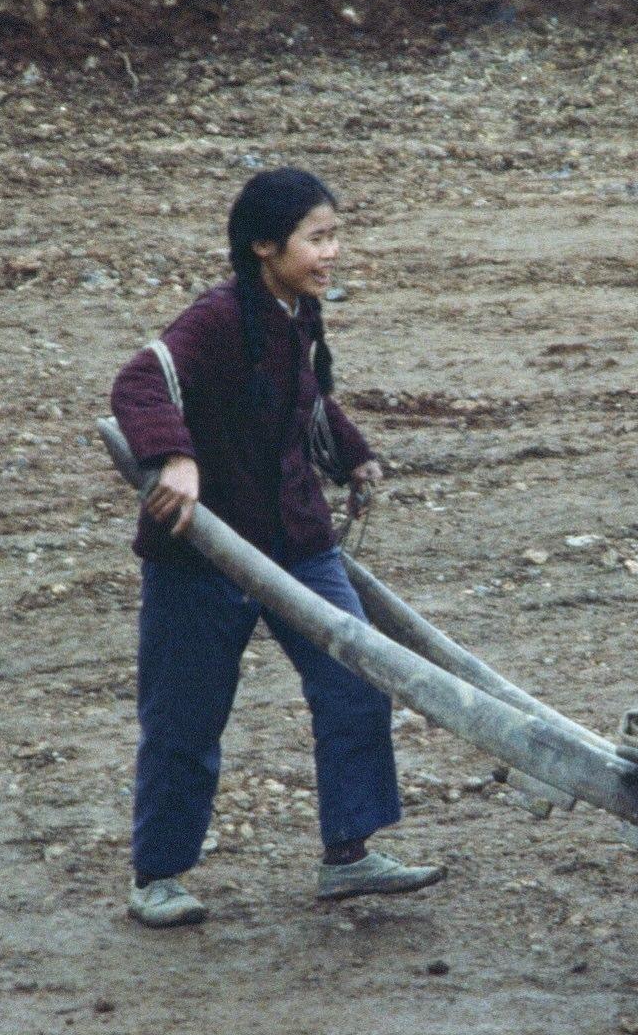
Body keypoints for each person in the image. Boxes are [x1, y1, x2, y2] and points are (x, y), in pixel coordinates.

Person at [109, 169, 441, 928]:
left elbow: (305, 402)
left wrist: (350, 457)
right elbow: (139, 384)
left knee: (357, 681)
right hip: (205, 551)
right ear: (265, 244)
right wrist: (176, 459)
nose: (334, 252)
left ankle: (348, 856)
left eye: (334, 235)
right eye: (317, 237)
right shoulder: (218, 318)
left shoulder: (297, 314)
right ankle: (157, 876)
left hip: (296, 539)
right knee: (185, 716)